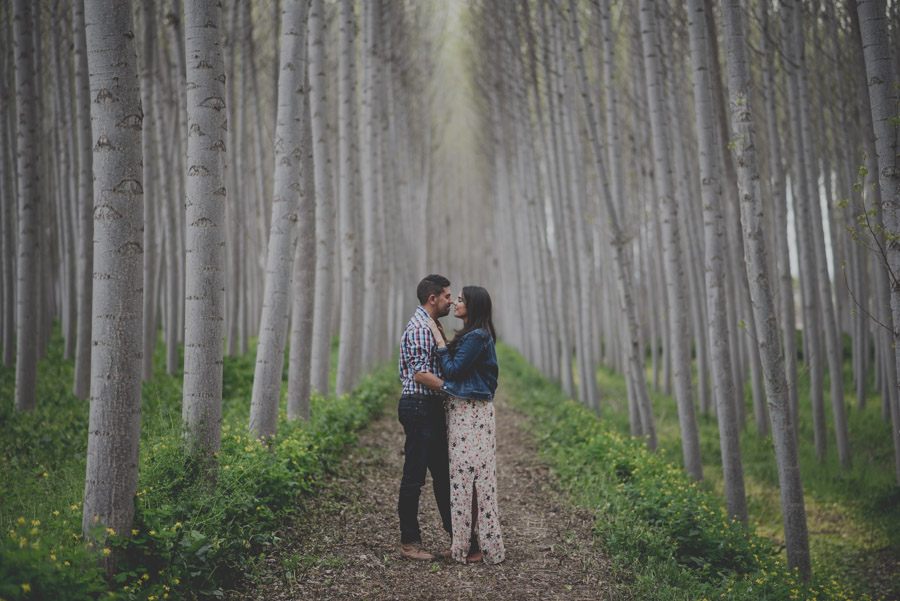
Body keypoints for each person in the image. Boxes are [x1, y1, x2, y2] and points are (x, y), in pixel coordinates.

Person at [425, 285, 505, 565]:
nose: (456, 303)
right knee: (465, 480)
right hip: (465, 414)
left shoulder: (478, 337)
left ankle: (480, 545)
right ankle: (466, 542)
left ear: (474, 306)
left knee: (472, 482)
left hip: (472, 415)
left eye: (461, 299)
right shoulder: (473, 335)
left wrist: (439, 343)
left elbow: (453, 371)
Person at [397, 274, 455, 561]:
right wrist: (453, 389)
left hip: (428, 407)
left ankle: (458, 538)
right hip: (419, 405)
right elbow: (421, 374)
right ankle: (409, 542)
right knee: (415, 477)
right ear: (433, 298)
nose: (451, 300)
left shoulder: (431, 325)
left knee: (443, 476)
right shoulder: (421, 327)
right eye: (447, 296)